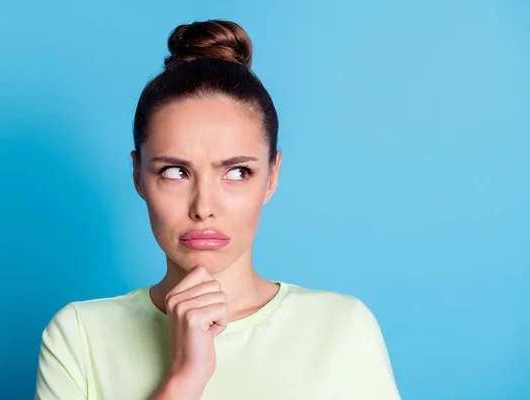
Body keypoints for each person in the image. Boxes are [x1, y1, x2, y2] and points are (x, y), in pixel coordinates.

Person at [34, 19, 401, 400]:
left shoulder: (341, 329)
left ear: (272, 177)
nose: (203, 207)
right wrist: (185, 378)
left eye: (237, 172)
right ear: (138, 176)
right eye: (175, 172)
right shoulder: (79, 336)